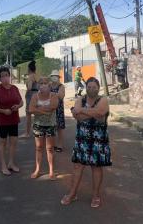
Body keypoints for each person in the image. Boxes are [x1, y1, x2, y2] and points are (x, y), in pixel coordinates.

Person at [61, 77, 111, 208]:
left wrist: (82, 111)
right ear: (86, 87)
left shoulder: (103, 100)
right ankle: (72, 193)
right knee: (78, 166)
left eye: (94, 87)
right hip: (82, 140)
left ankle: (95, 195)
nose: (91, 89)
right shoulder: (80, 99)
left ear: (98, 88)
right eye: (89, 87)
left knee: (96, 168)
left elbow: (100, 112)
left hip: (98, 140)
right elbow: (77, 117)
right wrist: (93, 114)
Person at [0, 67, 23, 176]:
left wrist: (17, 106)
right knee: (3, 143)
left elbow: (21, 102)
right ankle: (3, 166)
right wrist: (3, 111)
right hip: (2, 121)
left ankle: (11, 163)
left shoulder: (14, 88)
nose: (5, 78)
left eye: (7, 75)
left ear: (10, 76)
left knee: (13, 142)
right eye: (2, 76)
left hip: (14, 119)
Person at [29, 77, 59, 180]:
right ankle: (37, 169)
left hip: (50, 125)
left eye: (45, 83)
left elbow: (54, 106)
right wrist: (44, 111)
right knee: (38, 147)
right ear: (38, 85)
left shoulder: (54, 95)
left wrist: (38, 109)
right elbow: (31, 109)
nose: (42, 85)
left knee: (50, 148)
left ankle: (51, 170)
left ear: (49, 84)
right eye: (40, 83)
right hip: (38, 125)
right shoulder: (35, 96)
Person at [50, 70, 66, 152]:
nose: (54, 77)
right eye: (53, 76)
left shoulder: (61, 86)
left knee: (59, 127)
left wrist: (51, 94)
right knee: (51, 127)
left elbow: (61, 96)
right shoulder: (48, 85)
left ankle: (60, 145)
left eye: (56, 76)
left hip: (59, 109)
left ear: (59, 77)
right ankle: (53, 144)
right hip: (50, 109)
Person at [25, 60, 38, 137]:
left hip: (31, 96)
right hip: (37, 95)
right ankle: (37, 131)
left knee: (28, 115)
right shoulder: (37, 76)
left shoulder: (30, 77)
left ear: (29, 69)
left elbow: (29, 87)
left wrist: (26, 94)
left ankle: (27, 133)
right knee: (37, 114)